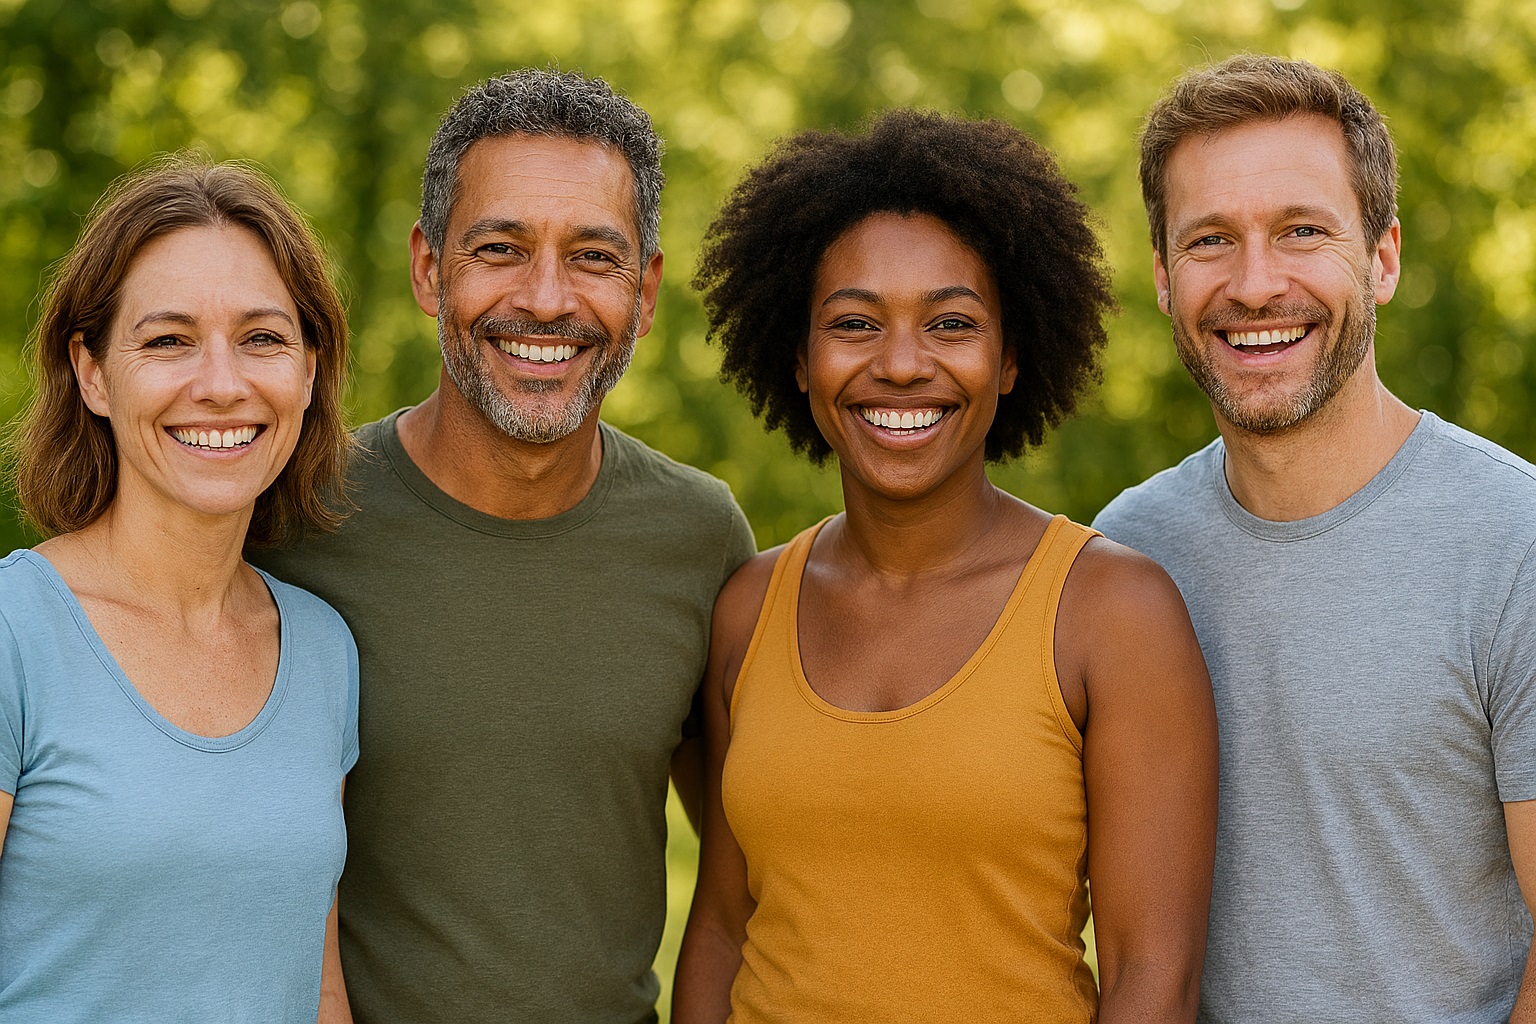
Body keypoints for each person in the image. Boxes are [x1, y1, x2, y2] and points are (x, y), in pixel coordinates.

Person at [673, 110, 1219, 1024]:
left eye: (951, 323)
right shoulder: (749, 607)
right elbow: (725, 928)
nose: (900, 365)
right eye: (854, 323)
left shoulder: (1112, 610)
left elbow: (1151, 974)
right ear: (800, 360)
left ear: (1009, 359)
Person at [253, 69, 755, 1023]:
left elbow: (748, 878)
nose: (546, 299)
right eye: (500, 248)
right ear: (429, 268)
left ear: (645, 291)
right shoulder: (288, 524)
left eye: (595, 257)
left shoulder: (700, 537)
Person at [1093, 54, 1536, 1023]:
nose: (1256, 284)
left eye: (1302, 231)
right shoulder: (1125, 560)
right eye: (1211, 240)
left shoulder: (1517, 543)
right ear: (1165, 280)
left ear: (1382, 259)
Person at [0, 157, 358, 1022]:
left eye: (263, 338)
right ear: (91, 373)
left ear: (308, 371)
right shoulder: (15, 632)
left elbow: (316, 986)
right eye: (167, 340)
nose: (222, 384)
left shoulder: (322, 649)